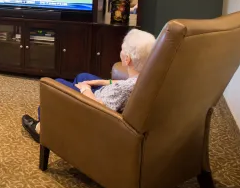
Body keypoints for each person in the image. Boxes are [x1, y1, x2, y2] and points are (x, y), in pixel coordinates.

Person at [21, 29, 156, 143]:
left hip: (97, 106)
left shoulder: (123, 89)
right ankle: (70, 117)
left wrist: (86, 89)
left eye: (122, 50)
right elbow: (126, 83)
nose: (120, 52)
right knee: (83, 77)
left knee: (54, 85)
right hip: (107, 96)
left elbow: (99, 108)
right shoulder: (147, 77)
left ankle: (43, 128)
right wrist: (102, 82)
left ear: (127, 59)